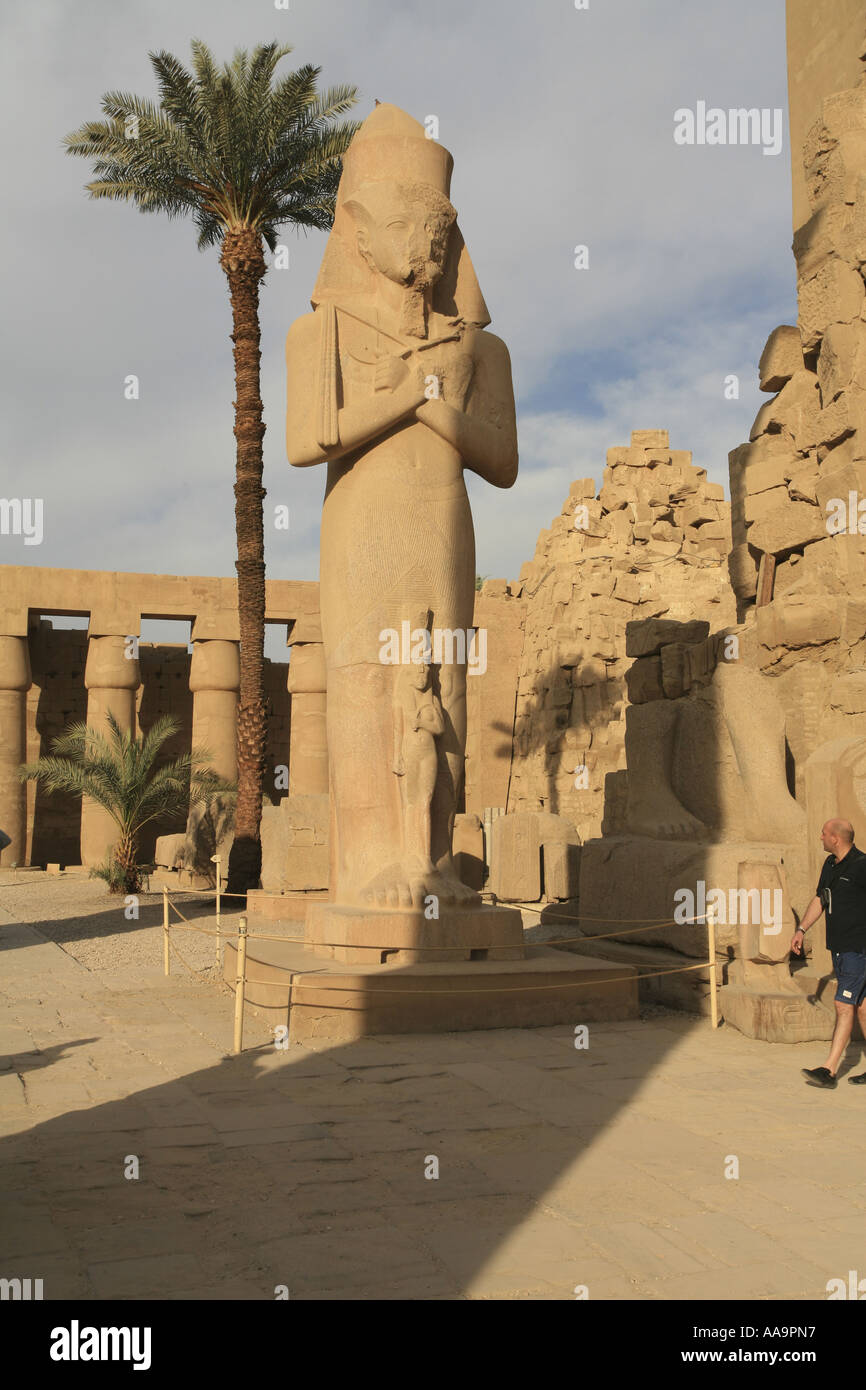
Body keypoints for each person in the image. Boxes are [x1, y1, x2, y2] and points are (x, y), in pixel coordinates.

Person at [792, 818, 866, 1087]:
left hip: (858, 950)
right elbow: (820, 899)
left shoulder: (862, 866)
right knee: (862, 1008)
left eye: (823, 833)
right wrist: (801, 929)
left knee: (843, 1005)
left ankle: (829, 1069)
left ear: (836, 838)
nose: (820, 837)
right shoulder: (830, 865)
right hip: (840, 949)